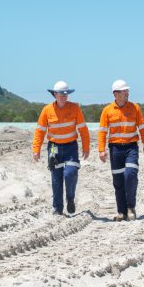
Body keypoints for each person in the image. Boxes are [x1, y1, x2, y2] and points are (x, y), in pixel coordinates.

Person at [32, 80, 90, 215]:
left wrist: (86, 147)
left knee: (70, 173)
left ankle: (70, 198)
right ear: (54, 95)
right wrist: (36, 149)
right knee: (56, 177)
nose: (63, 96)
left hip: (71, 147)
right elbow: (40, 131)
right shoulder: (46, 110)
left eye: (66, 94)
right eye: (60, 94)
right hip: (54, 147)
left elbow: (83, 129)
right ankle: (58, 209)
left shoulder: (75, 108)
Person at [98, 79, 144, 221]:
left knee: (130, 174)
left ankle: (130, 207)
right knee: (118, 181)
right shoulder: (107, 111)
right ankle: (122, 212)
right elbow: (102, 131)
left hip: (131, 147)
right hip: (115, 149)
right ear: (115, 94)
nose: (127, 93)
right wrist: (101, 150)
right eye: (123, 91)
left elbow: (143, 128)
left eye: (127, 91)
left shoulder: (135, 108)